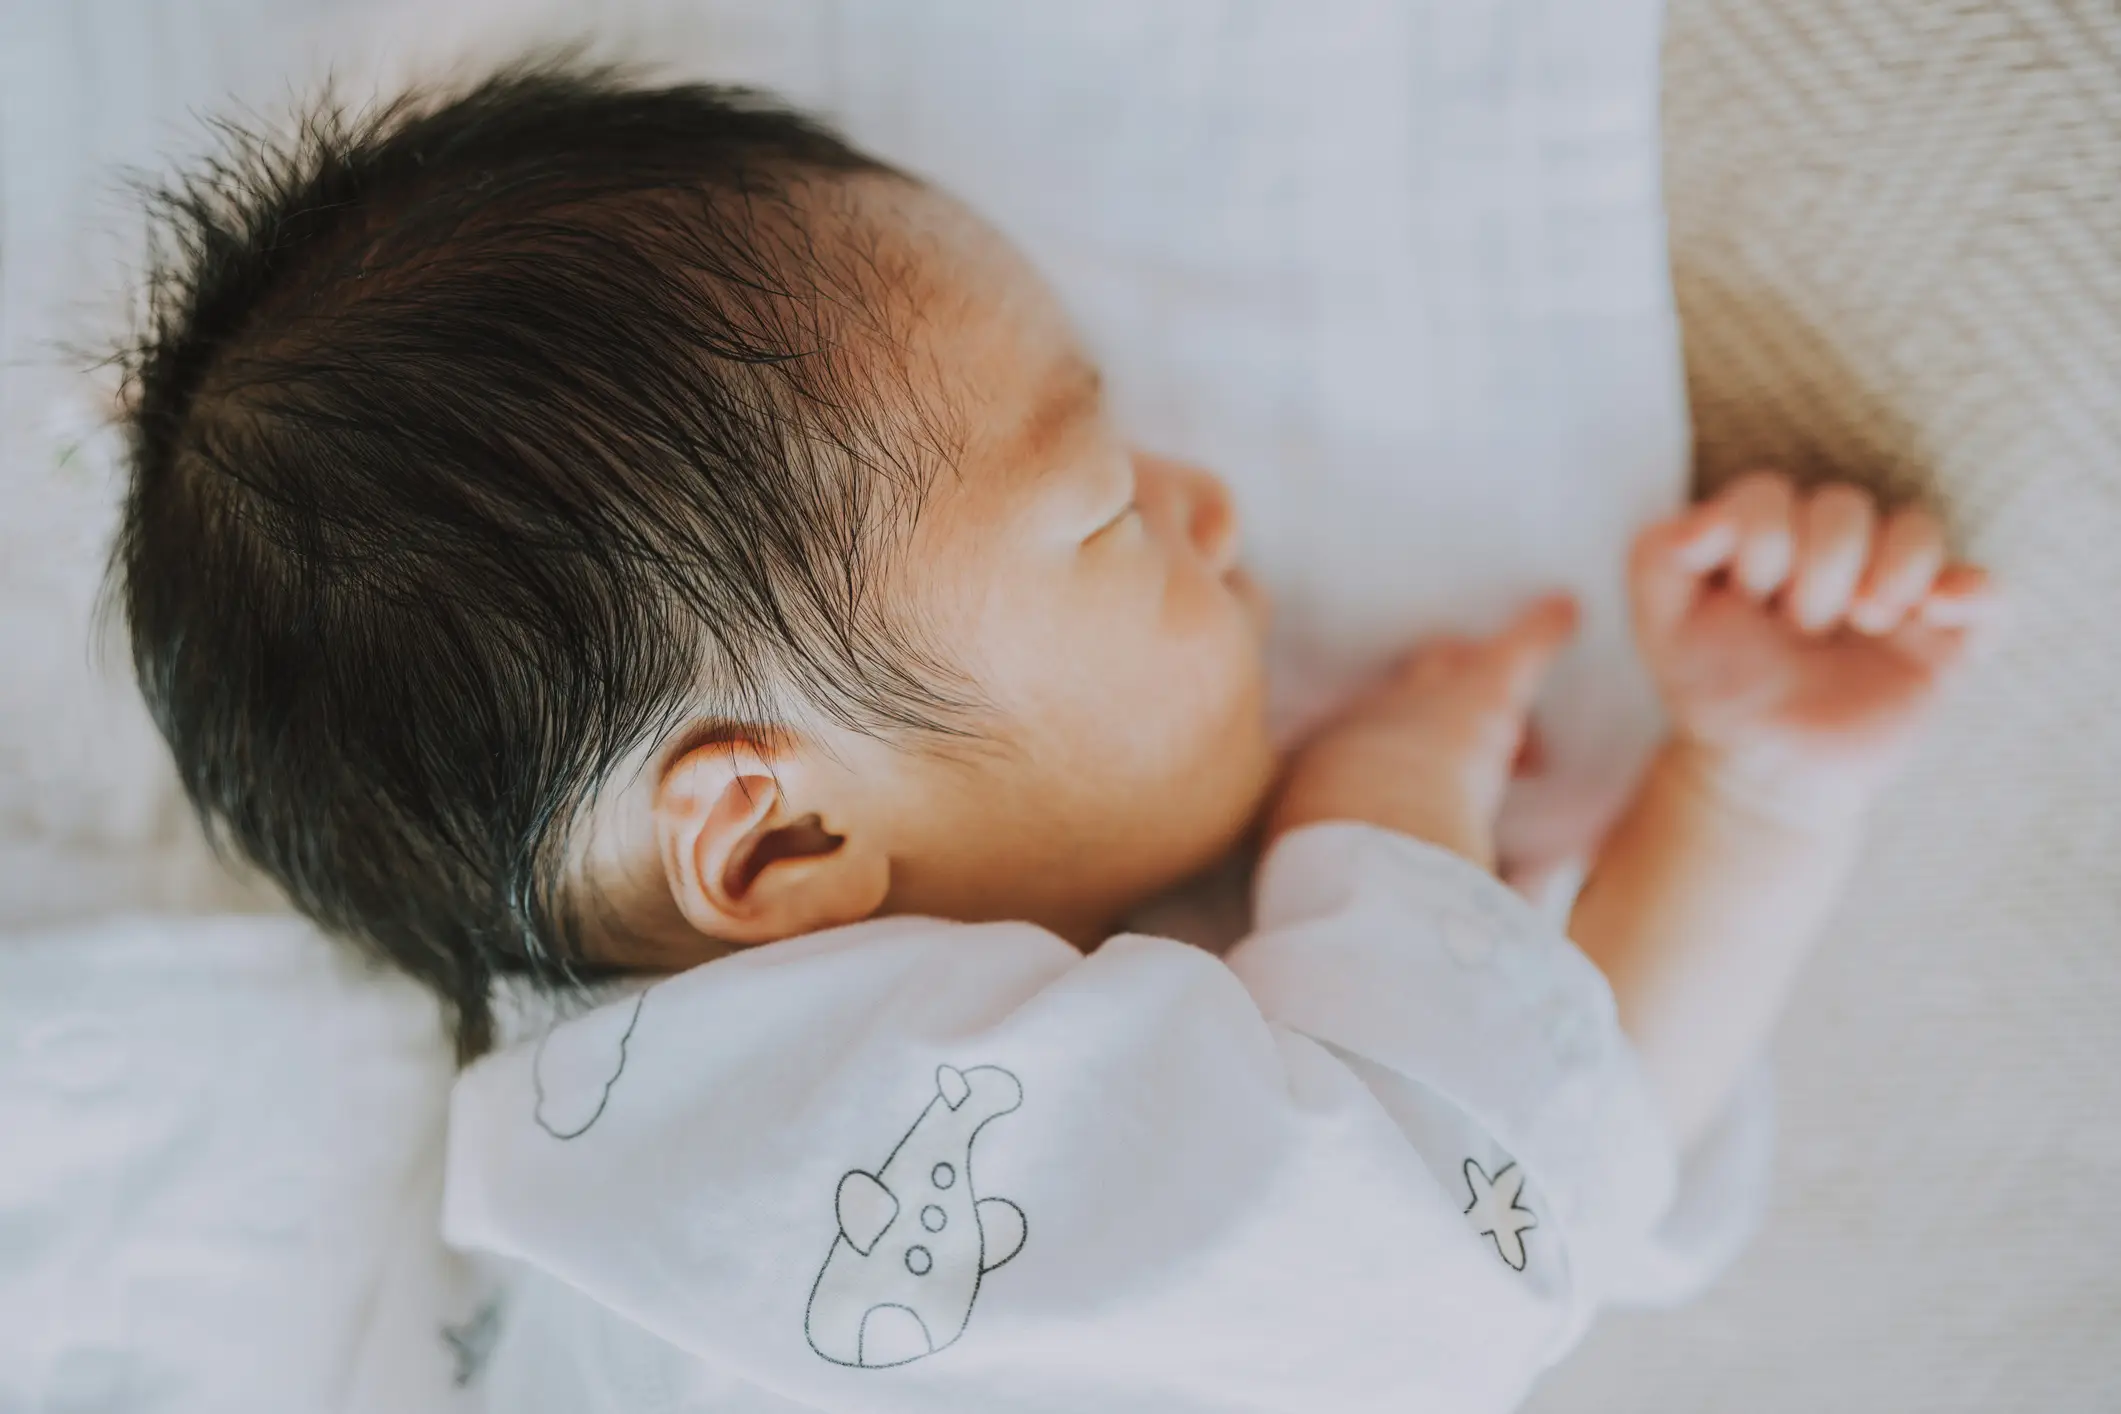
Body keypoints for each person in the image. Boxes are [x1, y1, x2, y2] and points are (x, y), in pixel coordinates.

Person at [113, 63, 1996, 1411]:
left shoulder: (695, 1117)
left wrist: (1750, 786)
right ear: (774, 845)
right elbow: (1451, 1243)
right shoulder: (759, 1159)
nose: (1209, 503)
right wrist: (1396, 809)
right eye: (1104, 506)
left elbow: (1548, 1166)